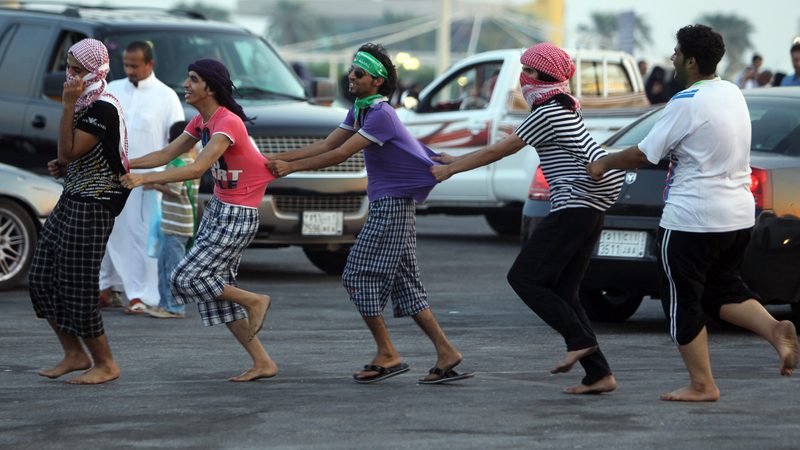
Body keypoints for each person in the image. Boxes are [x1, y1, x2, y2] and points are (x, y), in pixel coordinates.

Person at [586, 24, 799, 402]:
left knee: (681, 300)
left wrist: (603, 163)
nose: (671, 58)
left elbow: (643, 153)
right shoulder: (732, 92)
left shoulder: (687, 102)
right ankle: (774, 330)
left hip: (691, 221)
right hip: (736, 218)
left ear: (691, 60)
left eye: (676, 52)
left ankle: (703, 384)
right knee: (723, 289)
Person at [268, 43, 471, 385]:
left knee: (357, 276)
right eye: (352, 70)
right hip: (389, 203)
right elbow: (326, 144)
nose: (351, 76)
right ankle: (446, 353)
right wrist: (278, 159)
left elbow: (340, 155)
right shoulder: (362, 110)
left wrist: (289, 168)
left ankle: (388, 354)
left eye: (359, 73)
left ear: (376, 81)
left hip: (392, 204)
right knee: (406, 287)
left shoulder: (380, 115)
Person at [430, 43, 623, 394]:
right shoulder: (564, 104)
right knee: (565, 291)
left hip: (575, 206)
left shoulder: (547, 110)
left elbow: (499, 149)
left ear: (540, 77)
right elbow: (496, 146)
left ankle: (578, 339)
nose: (523, 78)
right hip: (590, 208)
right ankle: (599, 374)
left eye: (528, 72)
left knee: (525, 279)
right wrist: (452, 158)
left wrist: (450, 171)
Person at [119, 59, 276, 382]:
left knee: (186, 278)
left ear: (210, 87)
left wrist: (143, 180)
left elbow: (196, 169)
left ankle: (254, 300)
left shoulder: (227, 123)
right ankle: (263, 362)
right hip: (219, 211)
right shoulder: (200, 121)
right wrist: (123, 164)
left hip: (238, 215)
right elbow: (164, 154)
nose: (186, 85)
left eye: (193, 79)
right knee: (216, 298)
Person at [29, 38, 130, 384]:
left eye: (77, 69)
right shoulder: (84, 102)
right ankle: (73, 354)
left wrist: (66, 107)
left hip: (95, 204)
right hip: (73, 196)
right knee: (41, 278)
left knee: (78, 284)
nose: (70, 75)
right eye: (68, 67)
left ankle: (105, 363)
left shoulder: (101, 107)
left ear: (95, 71)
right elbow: (71, 157)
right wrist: (64, 167)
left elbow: (70, 150)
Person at [101, 41, 185, 314]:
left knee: (142, 237)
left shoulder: (167, 96)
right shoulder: (112, 90)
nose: (129, 70)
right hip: (113, 176)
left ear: (150, 64)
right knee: (110, 233)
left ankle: (142, 295)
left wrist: (160, 178)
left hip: (150, 182)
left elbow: (177, 142)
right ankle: (108, 288)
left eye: (135, 65)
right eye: (126, 64)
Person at [146, 122, 198, 319]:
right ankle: (165, 304)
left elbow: (174, 191)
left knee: (171, 268)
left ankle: (174, 308)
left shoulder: (178, 164)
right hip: (178, 224)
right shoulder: (191, 161)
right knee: (165, 265)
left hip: (176, 226)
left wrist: (152, 184)